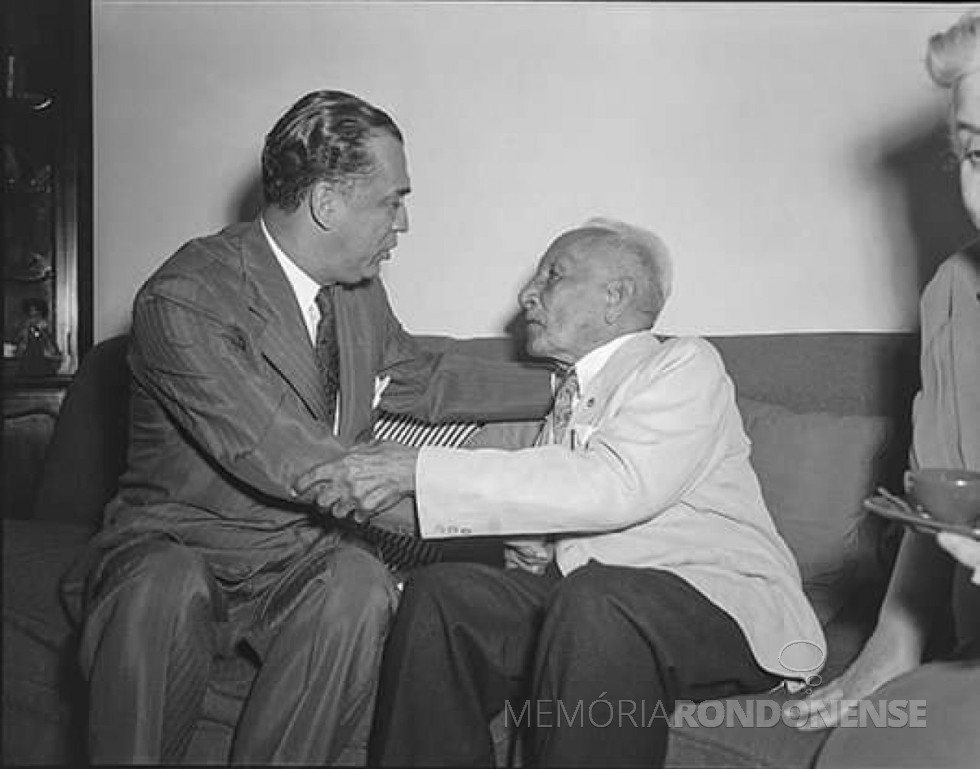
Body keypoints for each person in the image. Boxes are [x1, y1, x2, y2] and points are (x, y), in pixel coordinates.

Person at [60, 89, 552, 765]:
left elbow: (421, 377)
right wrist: (498, 517)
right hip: (178, 542)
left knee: (358, 578)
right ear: (326, 203)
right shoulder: (185, 298)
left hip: (292, 559)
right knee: (163, 586)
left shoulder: (356, 291)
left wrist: (567, 385)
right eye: (392, 199)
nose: (402, 222)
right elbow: (308, 463)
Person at [300, 218, 826, 767]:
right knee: (443, 596)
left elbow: (621, 486)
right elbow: (574, 507)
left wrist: (420, 469)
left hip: (721, 607)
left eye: (552, 275)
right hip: (595, 607)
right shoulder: (567, 400)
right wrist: (539, 546)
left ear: (615, 297)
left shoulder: (683, 364)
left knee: (597, 599)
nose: (527, 294)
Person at [792, 11, 980, 768]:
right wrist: (891, 645)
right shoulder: (952, 297)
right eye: (979, 150)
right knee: (871, 741)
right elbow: (941, 504)